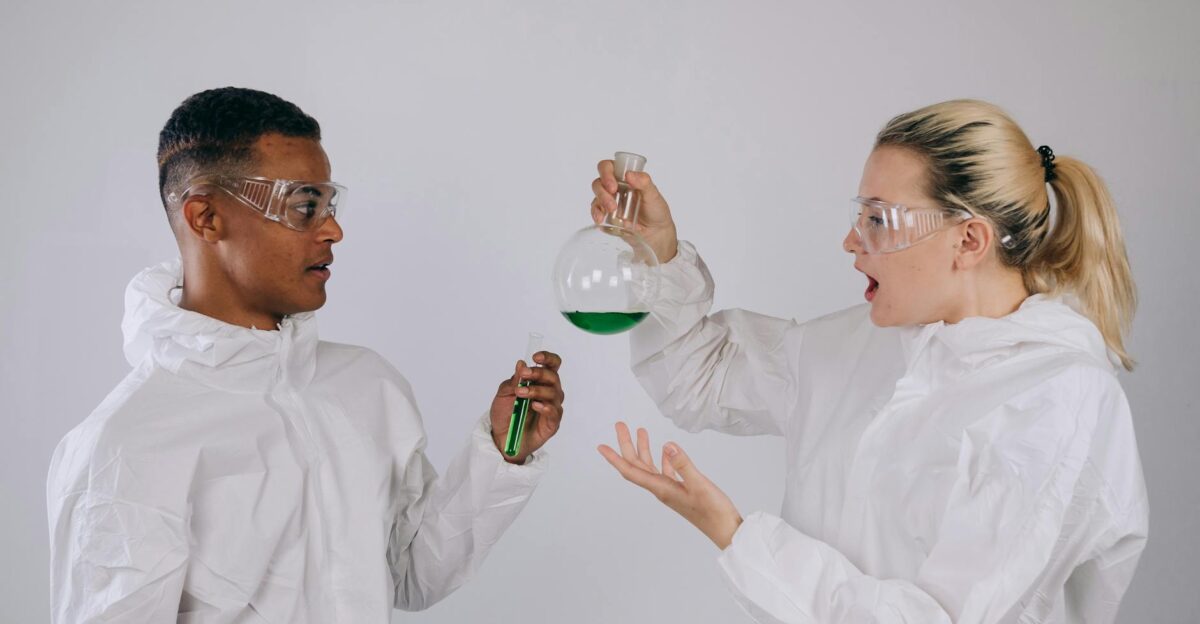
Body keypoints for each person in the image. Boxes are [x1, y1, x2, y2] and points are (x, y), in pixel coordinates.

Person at [593, 99, 1147, 623]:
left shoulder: (1057, 398)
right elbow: (702, 375)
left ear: (969, 241)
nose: (850, 242)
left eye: (878, 219)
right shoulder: (863, 343)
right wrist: (657, 254)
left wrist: (738, 536)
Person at [46, 87, 566, 622]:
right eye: (303, 206)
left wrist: (503, 453)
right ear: (206, 218)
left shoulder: (365, 386)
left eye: (328, 204)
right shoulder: (127, 447)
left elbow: (411, 573)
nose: (333, 230)